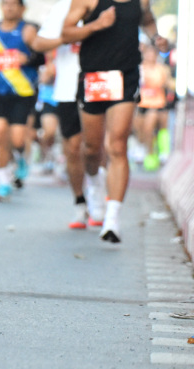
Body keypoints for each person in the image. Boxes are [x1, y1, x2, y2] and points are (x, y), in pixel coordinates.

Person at [63, 0, 169, 243]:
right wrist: (97, 25)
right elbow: (66, 32)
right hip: (93, 78)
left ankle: (112, 220)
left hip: (125, 77)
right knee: (91, 150)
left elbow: (148, 20)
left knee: (117, 145)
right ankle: (96, 188)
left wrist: (156, 39)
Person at [32, 0, 90, 229]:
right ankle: (80, 203)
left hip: (102, 85)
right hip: (67, 87)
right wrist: (66, 38)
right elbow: (38, 42)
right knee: (74, 148)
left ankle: (99, 196)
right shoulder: (63, 7)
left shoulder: (111, 5)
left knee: (97, 147)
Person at [0, 0, 38, 201]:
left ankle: (20, 157)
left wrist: (29, 58)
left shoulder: (29, 30)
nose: (9, 7)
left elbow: (42, 55)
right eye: (5, 4)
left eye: (13, 4)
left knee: (16, 139)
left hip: (22, 91)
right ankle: (3, 182)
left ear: (22, 8)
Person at [136, 44, 172, 172]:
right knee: (142, 129)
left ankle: (158, 153)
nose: (150, 56)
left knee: (156, 126)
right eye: (148, 53)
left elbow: (168, 84)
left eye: (152, 53)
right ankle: (146, 150)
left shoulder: (162, 69)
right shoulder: (139, 69)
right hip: (143, 103)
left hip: (158, 104)